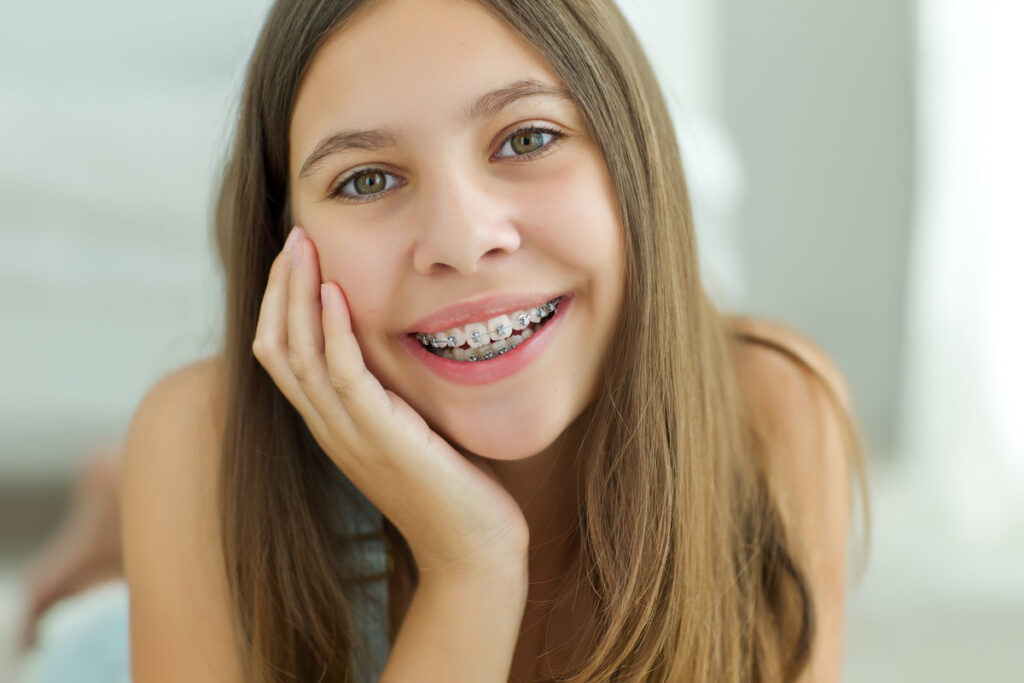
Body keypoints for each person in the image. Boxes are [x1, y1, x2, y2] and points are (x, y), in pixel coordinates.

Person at [30, 1, 866, 681]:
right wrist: (474, 566)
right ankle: (113, 544)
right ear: (281, 244)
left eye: (528, 138)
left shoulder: (774, 410)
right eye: (366, 179)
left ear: (632, 158)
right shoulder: (201, 440)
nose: (462, 240)